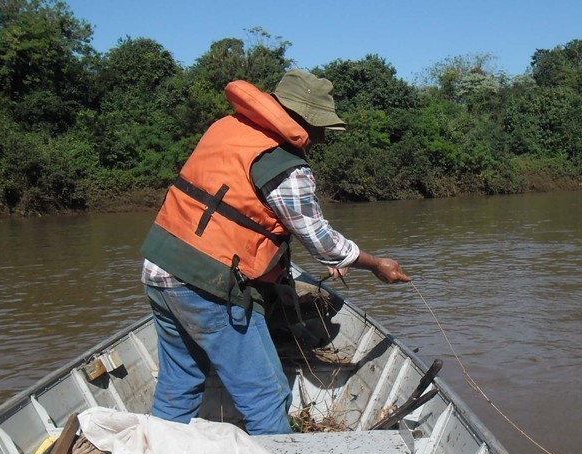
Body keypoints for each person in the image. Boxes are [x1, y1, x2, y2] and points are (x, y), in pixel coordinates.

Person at [140, 69, 410, 435]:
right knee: (267, 397)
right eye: (319, 129)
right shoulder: (284, 166)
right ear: (301, 118)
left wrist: (275, 280)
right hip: (206, 285)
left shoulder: (227, 129)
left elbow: (242, 218)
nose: (318, 140)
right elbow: (322, 243)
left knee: (180, 381)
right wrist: (376, 264)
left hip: (160, 269)